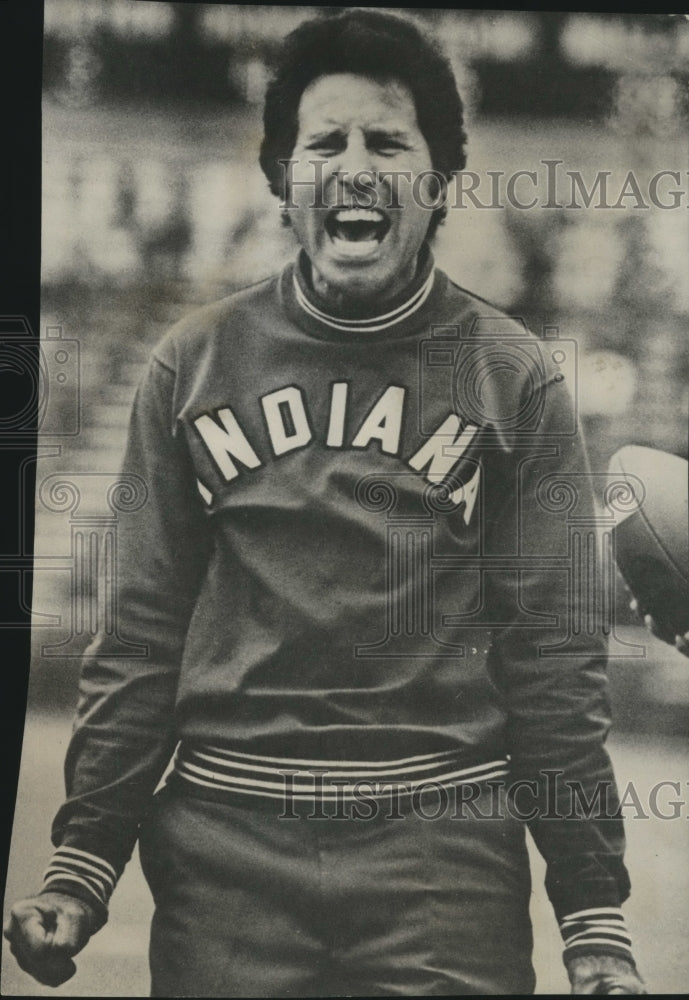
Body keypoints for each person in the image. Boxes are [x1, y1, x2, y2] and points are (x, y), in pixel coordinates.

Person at [5, 9, 646, 996]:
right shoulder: (189, 363)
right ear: (282, 180)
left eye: (387, 142)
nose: (354, 166)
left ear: (434, 184)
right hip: (227, 857)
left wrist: (592, 912)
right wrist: (83, 862)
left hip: (442, 860)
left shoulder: (516, 379)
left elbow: (554, 666)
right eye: (323, 143)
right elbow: (136, 636)